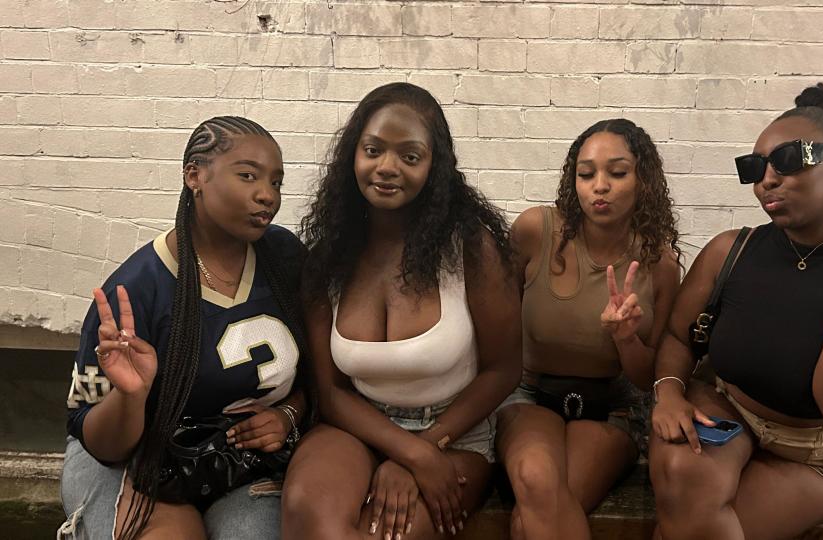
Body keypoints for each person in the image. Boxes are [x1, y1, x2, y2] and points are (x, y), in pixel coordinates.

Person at [648, 83, 823, 540]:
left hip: (814, 454)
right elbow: (679, 339)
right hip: (728, 411)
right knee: (685, 483)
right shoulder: (730, 250)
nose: (767, 179)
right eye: (754, 167)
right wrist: (667, 392)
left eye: (787, 159)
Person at [281, 82, 520, 540]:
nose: (387, 168)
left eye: (410, 157)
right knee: (308, 515)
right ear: (354, 153)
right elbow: (330, 392)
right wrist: (407, 453)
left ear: (434, 167)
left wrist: (426, 450)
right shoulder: (329, 256)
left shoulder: (470, 248)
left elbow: (504, 369)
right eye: (373, 150)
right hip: (359, 423)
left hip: (454, 431)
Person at [59, 116, 307, 540]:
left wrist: (289, 413)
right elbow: (102, 444)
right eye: (248, 176)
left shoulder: (285, 257)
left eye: (276, 181)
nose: (267, 195)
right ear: (195, 175)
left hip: (239, 459)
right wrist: (131, 397)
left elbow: (325, 374)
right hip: (135, 457)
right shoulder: (136, 290)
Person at [496, 118, 682, 540]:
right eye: (586, 174)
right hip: (531, 393)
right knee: (535, 478)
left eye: (617, 173)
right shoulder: (534, 231)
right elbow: (496, 323)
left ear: (643, 182)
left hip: (614, 404)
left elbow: (649, 377)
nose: (599, 186)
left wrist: (626, 338)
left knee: (531, 521)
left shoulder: (660, 264)